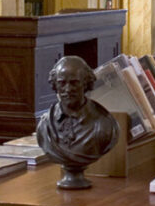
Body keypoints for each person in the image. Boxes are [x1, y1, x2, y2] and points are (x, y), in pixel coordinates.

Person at [36, 56, 119, 188]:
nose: (68, 89)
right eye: (62, 83)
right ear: (55, 85)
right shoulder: (44, 127)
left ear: (85, 84)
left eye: (74, 83)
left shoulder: (104, 125)